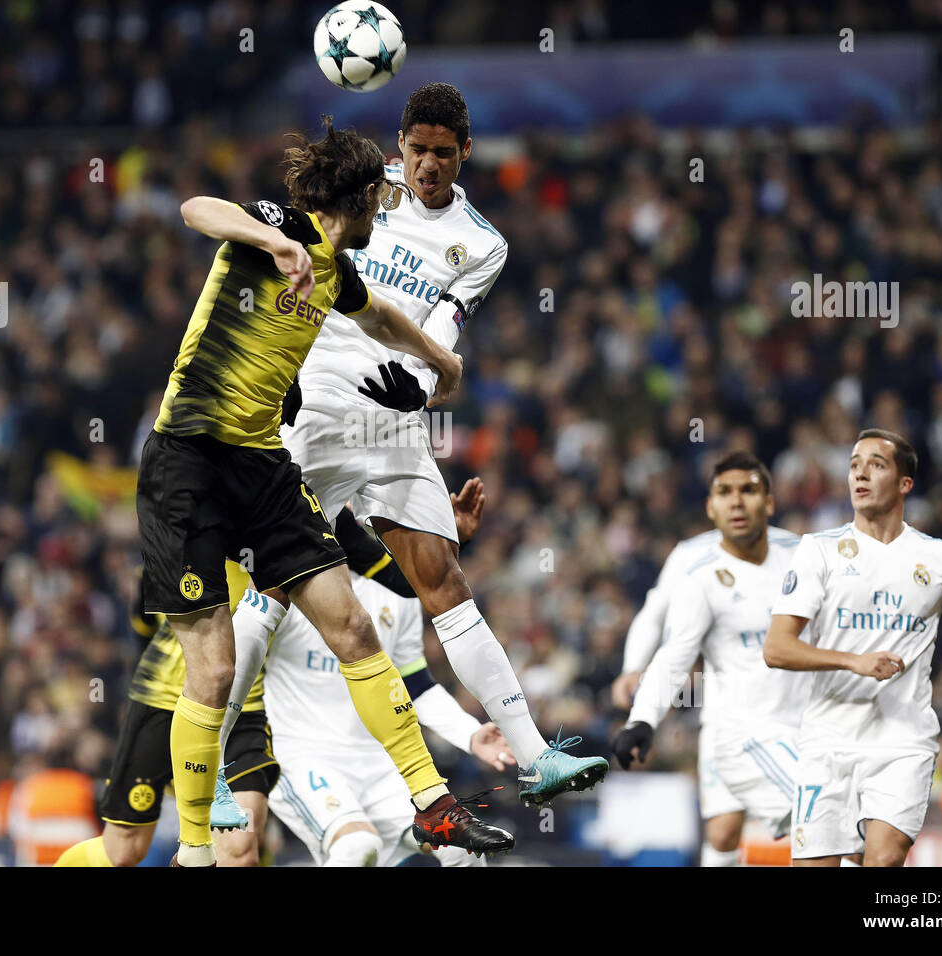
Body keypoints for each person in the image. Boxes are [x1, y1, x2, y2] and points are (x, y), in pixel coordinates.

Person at [219, 82, 606, 817]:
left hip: (394, 418)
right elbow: (297, 261)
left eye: (442, 153)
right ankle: (210, 774)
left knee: (444, 579)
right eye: (417, 149)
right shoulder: (366, 194)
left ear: (465, 153)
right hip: (317, 408)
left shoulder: (483, 243)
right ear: (400, 146)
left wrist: (423, 380)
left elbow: (448, 324)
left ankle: (535, 757)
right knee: (271, 588)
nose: (428, 164)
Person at [136, 119, 512, 866]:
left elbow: (380, 317)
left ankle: (433, 805)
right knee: (210, 669)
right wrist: (271, 242)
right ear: (368, 195)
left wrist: (440, 357)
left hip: (265, 467)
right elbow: (196, 209)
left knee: (355, 633)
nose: (393, 206)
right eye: (385, 196)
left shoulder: (337, 275)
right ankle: (194, 850)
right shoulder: (281, 227)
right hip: (189, 463)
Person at [764, 429, 942, 867]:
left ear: (904, 484)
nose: (859, 474)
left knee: (882, 860)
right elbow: (777, 648)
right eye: (854, 464)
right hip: (827, 741)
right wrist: (852, 661)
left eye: (875, 464)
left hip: (903, 739)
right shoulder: (817, 551)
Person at [266, 481, 514, 866]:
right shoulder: (286, 581)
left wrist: (469, 733)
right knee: (356, 849)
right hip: (307, 759)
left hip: (385, 766)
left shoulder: (397, 591)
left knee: (464, 849)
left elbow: (415, 685)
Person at [612, 452, 804, 866]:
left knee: (820, 826)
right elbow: (657, 620)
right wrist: (633, 669)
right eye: (725, 492)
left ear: (768, 502)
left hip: (803, 718)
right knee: (723, 831)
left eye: (748, 490)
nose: (736, 502)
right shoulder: (691, 561)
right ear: (710, 506)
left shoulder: (804, 555)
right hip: (731, 719)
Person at [55, 564, 278, 867]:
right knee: (124, 850)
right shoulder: (166, 546)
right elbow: (143, 634)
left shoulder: (276, 530)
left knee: (240, 850)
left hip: (242, 706)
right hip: (164, 697)